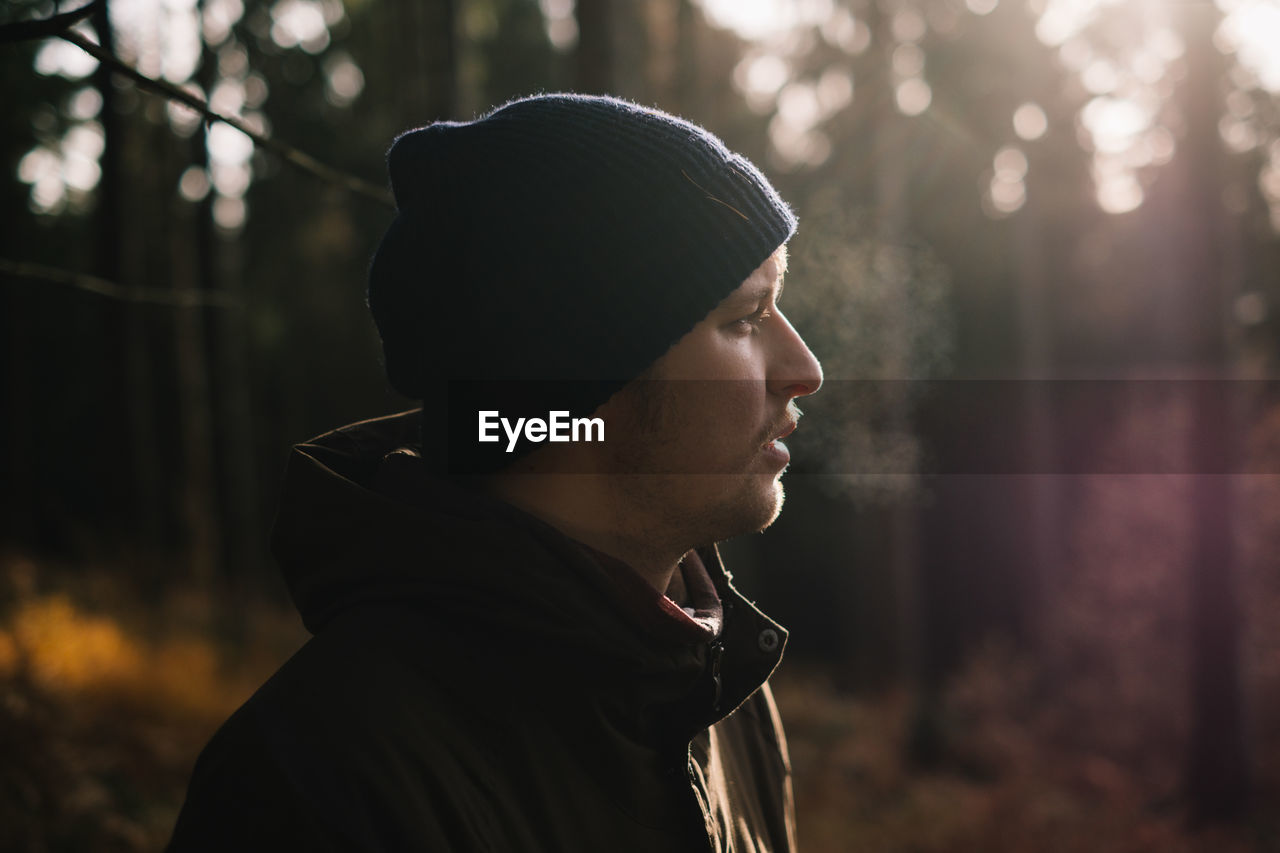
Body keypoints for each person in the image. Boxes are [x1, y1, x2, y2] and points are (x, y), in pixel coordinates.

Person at [168, 93, 822, 852]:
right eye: (745, 317)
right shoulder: (318, 781)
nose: (803, 369)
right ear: (578, 379)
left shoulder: (721, 690)